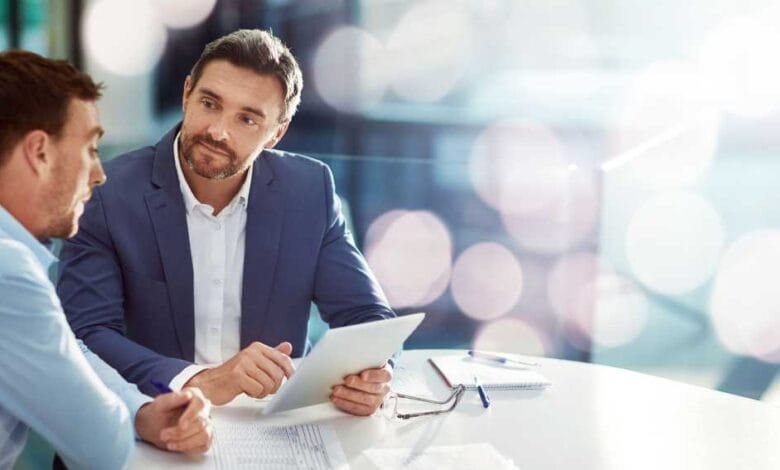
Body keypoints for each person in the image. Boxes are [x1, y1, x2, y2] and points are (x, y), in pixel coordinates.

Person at [57, 29, 395, 416]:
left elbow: (368, 319)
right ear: (187, 95)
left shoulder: (309, 192)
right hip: (150, 412)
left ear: (276, 133)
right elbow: (86, 336)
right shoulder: (107, 193)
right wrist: (198, 381)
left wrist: (373, 375)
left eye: (247, 119)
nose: (218, 131)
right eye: (209, 103)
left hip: (267, 426)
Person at [0, 50, 213, 469]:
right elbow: (103, 446)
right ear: (39, 151)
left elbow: (64, 347)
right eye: (91, 149)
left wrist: (139, 409)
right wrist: (127, 417)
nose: (98, 174)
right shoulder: (9, 273)